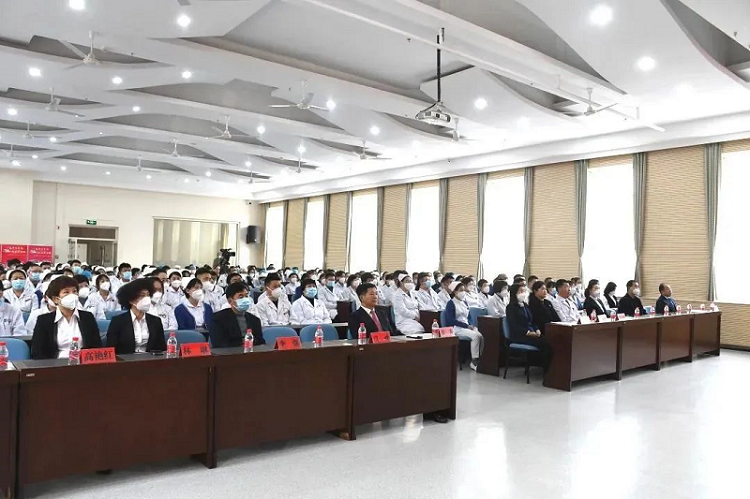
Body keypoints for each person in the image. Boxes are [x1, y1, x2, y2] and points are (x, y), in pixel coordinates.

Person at [31, 276, 102, 359]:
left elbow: (97, 347)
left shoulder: (87, 317)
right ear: (56, 299)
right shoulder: (44, 320)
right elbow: (37, 352)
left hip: (83, 363)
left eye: (74, 291)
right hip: (55, 364)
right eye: (66, 292)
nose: (72, 295)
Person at [106, 280, 166, 354]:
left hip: (150, 359)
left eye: (148, 295)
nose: (147, 299)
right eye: (142, 295)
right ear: (131, 300)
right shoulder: (118, 321)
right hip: (126, 359)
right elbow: (111, 349)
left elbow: (162, 348)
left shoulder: (156, 321)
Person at [505, 283, 553, 373]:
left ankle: (549, 369)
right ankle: (547, 372)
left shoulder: (525, 305)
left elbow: (532, 321)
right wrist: (528, 332)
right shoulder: (511, 307)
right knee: (545, 345)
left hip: (532, 333)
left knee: (550, 341)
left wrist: (537, 329)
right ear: (514, 293)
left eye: (524, 291)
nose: (523, 293)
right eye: (521, 291)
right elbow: (514, 326)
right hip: (519, 335)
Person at [443, 282, 484, 371]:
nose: (463, 292)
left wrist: (471, 324)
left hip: (466, 326)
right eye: (461, 290)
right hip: (456, 328)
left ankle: (480, 358)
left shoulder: (464, 302)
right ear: (455, 292)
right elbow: (451, 320)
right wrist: (466, 326)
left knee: (481, 336)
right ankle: (474, 361)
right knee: (476, 336)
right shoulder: (451, 303)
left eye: (464, 290)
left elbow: (469, 316)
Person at [210, 282, 265, 348]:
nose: (245, 299)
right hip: (229, 353)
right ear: (230, 301)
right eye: (241, 297)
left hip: (251, 352)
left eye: (246, 296)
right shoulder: (218, 319)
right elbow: (219, 343)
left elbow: (261, 341)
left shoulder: (255, 320)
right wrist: (242, 343)